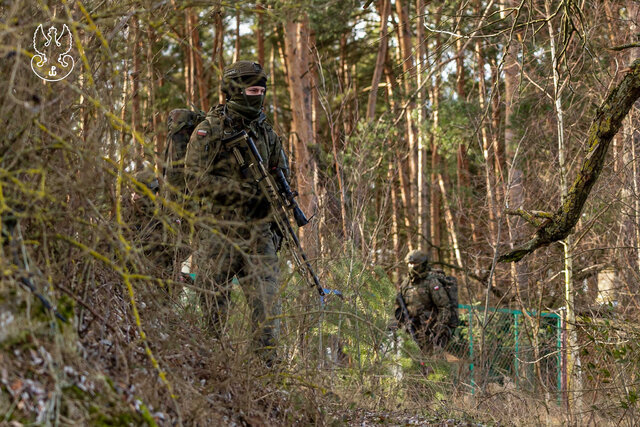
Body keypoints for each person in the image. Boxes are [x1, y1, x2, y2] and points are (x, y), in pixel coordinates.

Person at [184, 60, 290, 364]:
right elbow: (195, 180)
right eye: (251, 90)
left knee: (268, 316)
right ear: (233, 91)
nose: (257, 96)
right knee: (212, 317)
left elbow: (280, 177)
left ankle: (267, 380)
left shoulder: (267, 132)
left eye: (261, 90)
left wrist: (277, 223)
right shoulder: (209, 130)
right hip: (218, 235)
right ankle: (209, 376)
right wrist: (245, 194)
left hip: (259, 236)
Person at [395, 250, 455, 354]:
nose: (411, 266)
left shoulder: (431, 282)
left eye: (414, 264)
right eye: (409, 264)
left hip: (429, 332)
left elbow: (444, 307)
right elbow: (399, 306)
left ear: (422, 264)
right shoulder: (406, 283)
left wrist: (437, 330)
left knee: (429, 365)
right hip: (410, 331)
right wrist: (402, 322)